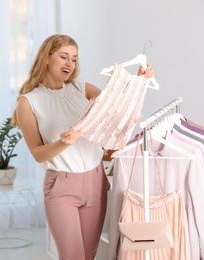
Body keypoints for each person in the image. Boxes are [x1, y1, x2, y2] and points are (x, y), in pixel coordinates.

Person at [11, 34, 155, 260]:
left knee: (88, 256)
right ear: (46, 58)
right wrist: (62, 142)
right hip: (61, 187)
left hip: (96, 182)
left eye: (74, 59)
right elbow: (38, 154)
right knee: (73, 257)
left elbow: (117, 111)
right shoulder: (28, 101)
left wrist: (138, 82)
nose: (70, 64)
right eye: (64, 57)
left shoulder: (82, 89)